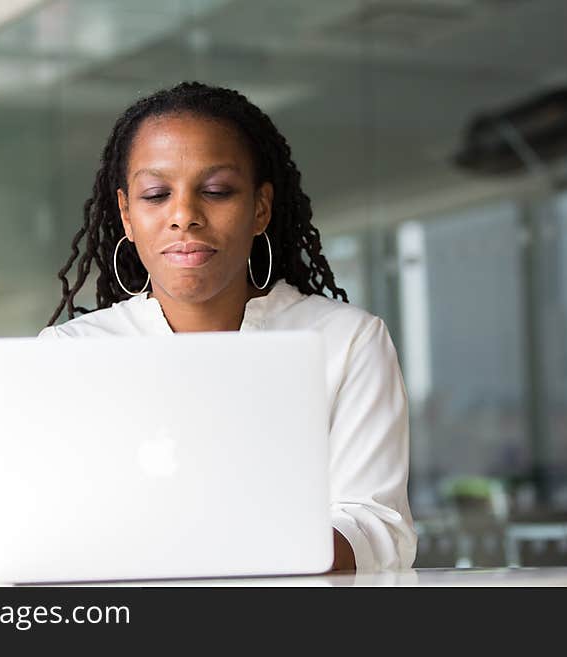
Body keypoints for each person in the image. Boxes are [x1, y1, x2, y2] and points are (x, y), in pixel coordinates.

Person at [39, 81, 416, 573]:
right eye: (156, 195)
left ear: (260, 208)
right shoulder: (68, 354)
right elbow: (46, 529)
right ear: (127, 215)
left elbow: (377, 527)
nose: (185, 217)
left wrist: (207, 548)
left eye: (216, 191)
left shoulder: (345, 341)